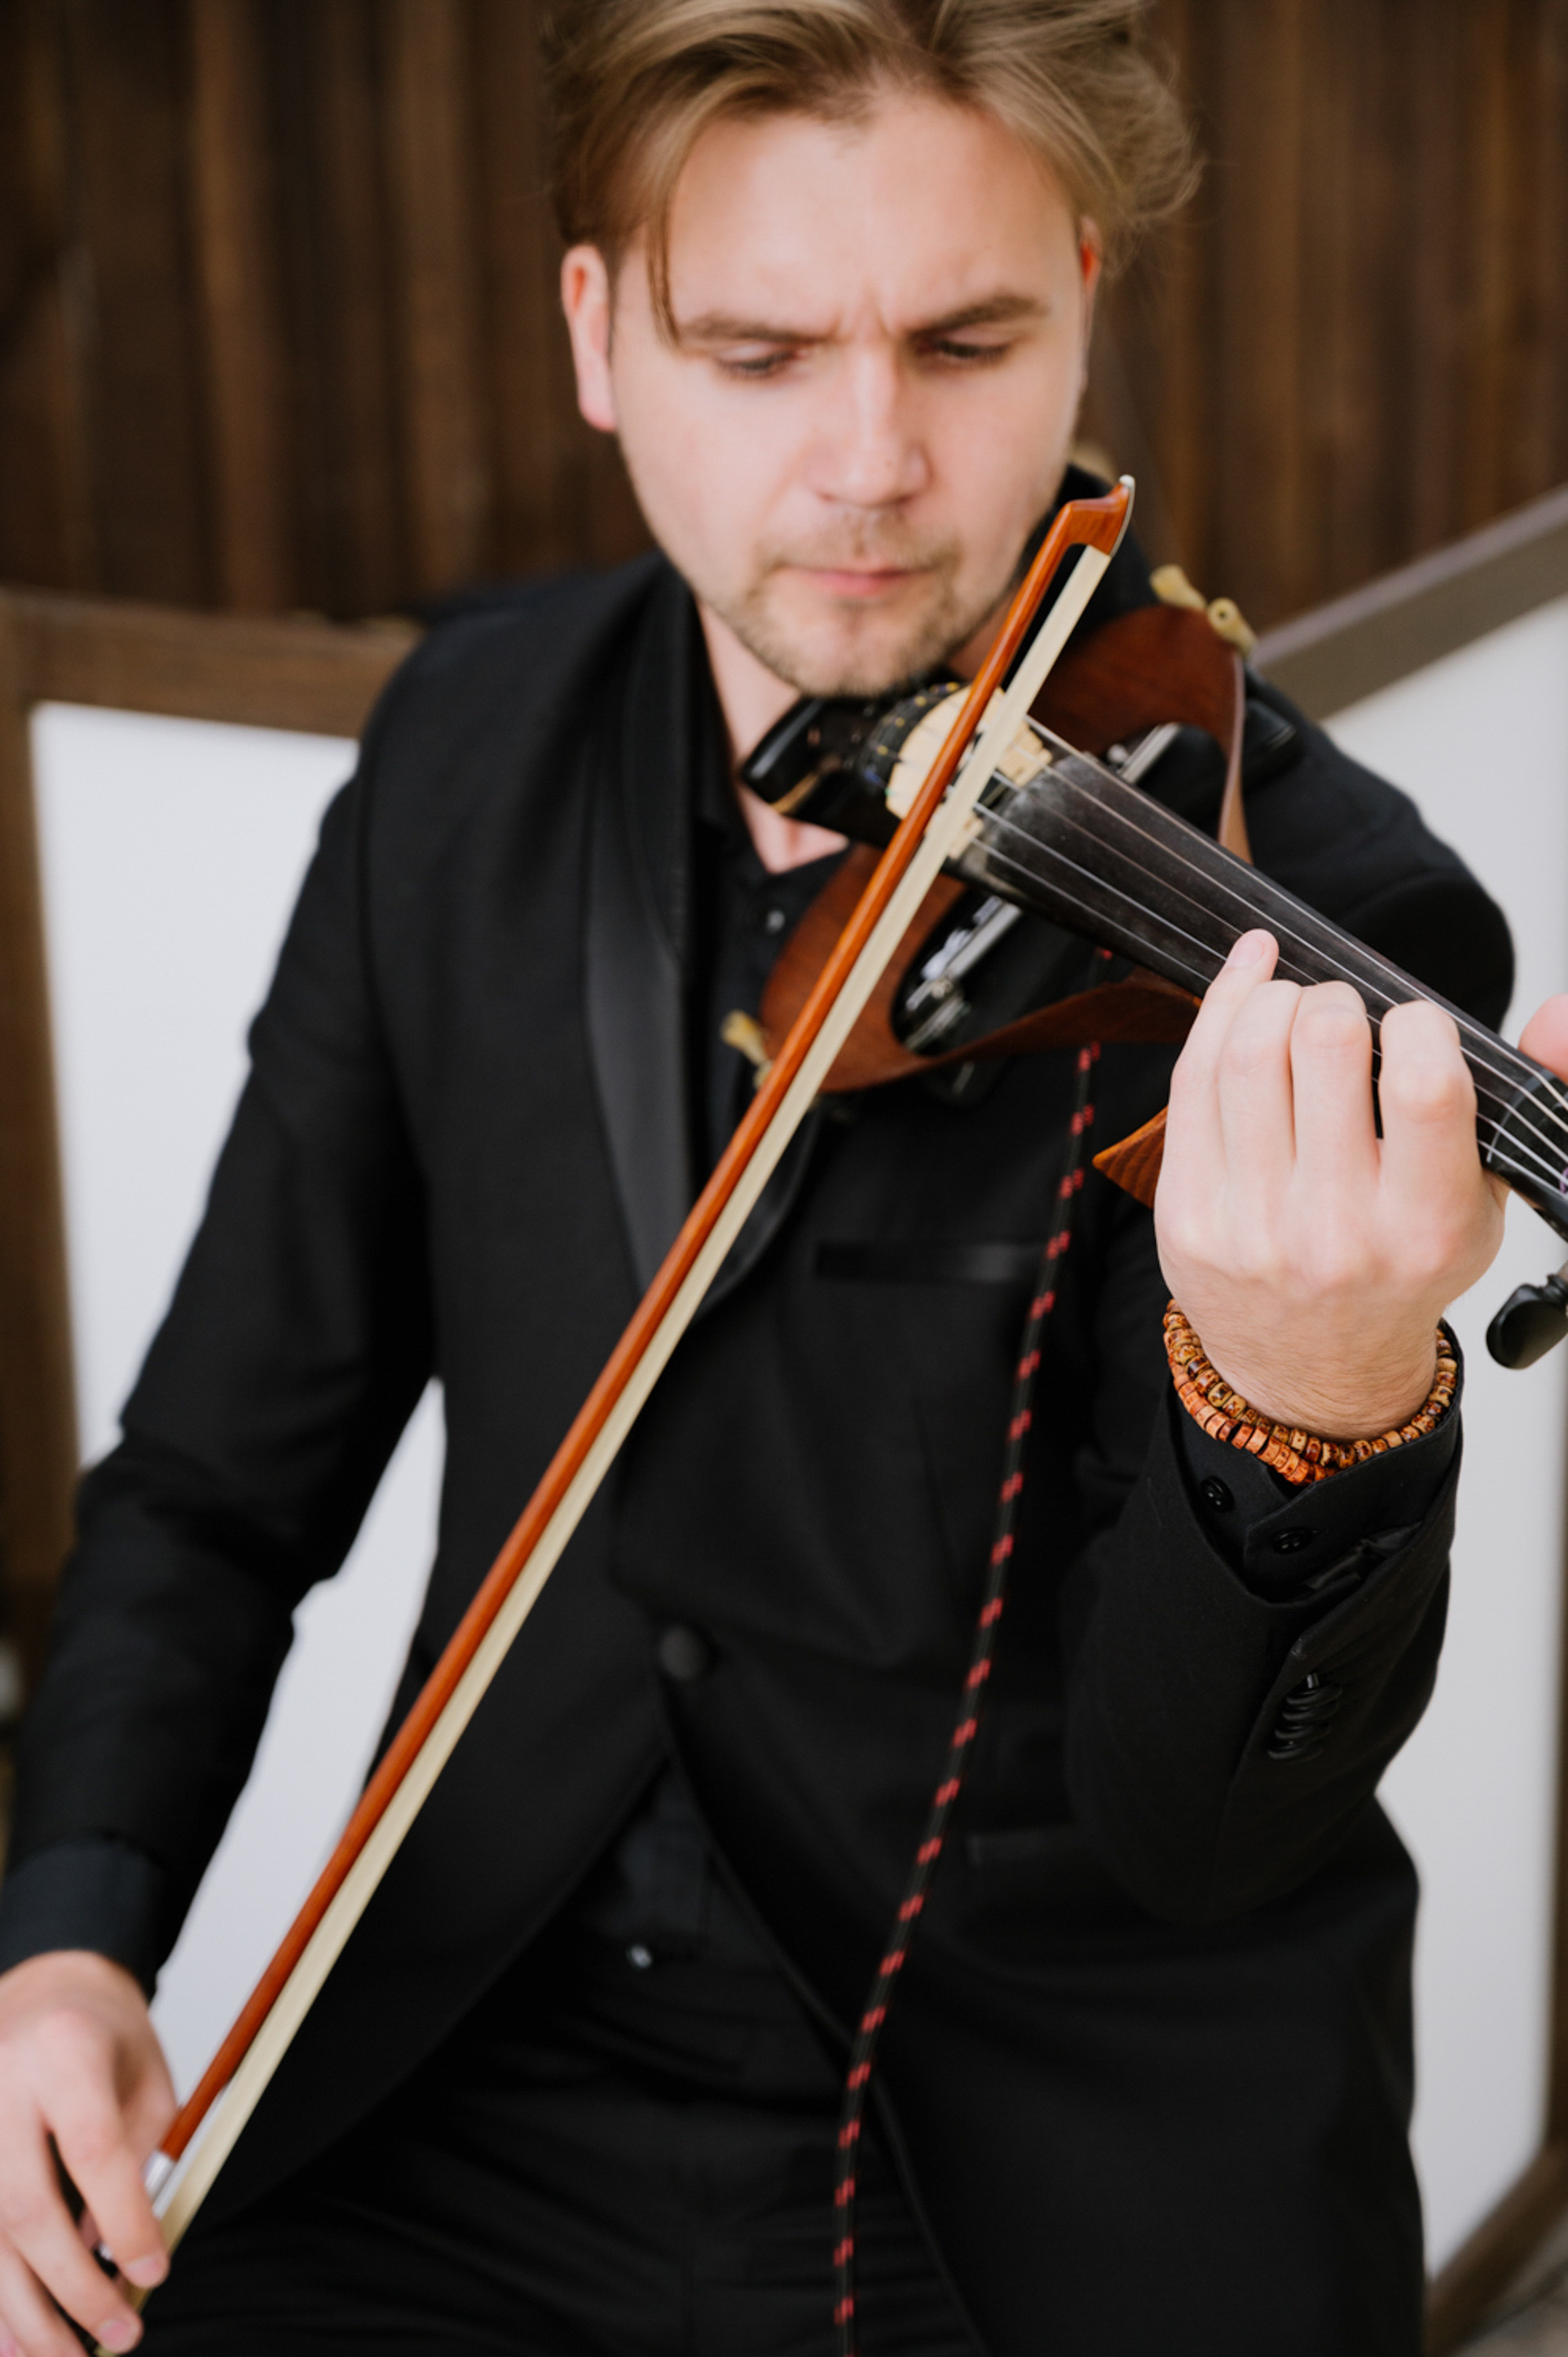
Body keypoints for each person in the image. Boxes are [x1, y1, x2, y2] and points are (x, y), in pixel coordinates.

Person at [0, 4, 1562, 2353]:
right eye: (753, 349)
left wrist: (1312, 1396)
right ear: (597, 334)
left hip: (1043, 2175)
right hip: (477, 2080)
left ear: (1085, 298)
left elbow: (1211, 1833)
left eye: (962, 339)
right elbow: (220, 1477)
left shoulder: (1326, 924)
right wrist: (68, 1931)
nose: (866, 464)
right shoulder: (464, 755)